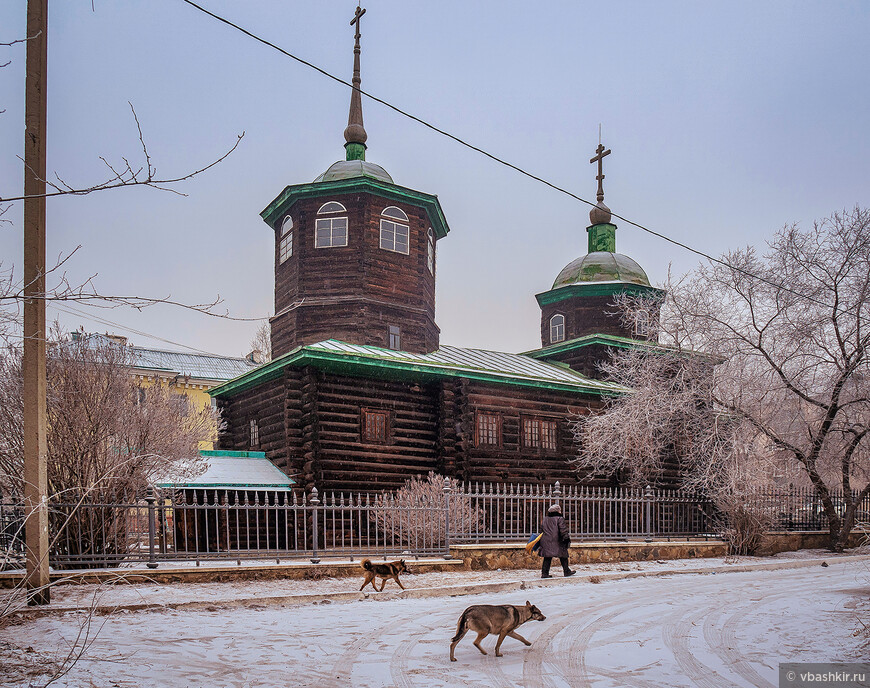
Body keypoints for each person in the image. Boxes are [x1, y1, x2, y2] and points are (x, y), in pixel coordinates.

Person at [539, 504, 575, 578]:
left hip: (546, 540)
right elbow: (563, 530)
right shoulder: (559, 518)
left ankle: (544, 573)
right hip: (557, 540)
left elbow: (542, 529)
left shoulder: (545, 518)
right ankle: (567, 571)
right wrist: (566, 539)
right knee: (563, 555)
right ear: (557, 511)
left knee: (547, 557)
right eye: (560, 510)